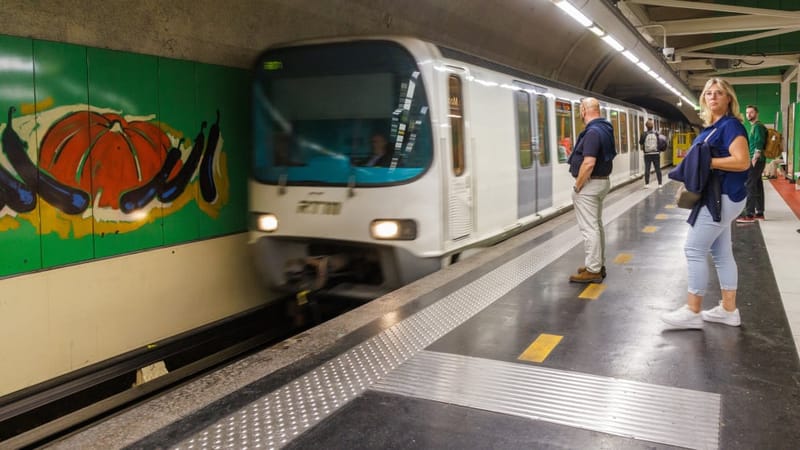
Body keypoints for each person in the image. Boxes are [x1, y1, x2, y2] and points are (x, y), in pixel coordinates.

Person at [660, 78, 750, 329]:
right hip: (719, 196)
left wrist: (707, 162)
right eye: (709, 94)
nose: (713, 97)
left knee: (694, 250)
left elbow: (742, 162)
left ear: (728, 99)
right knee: (722, 253)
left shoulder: (731, 125)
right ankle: (729, 310)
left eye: (719, 93)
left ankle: (692, 310)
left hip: (721, 197)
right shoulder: (714, 126)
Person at [567, 97, 615, 283]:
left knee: (589, 228)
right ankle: (596, 264)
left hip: (590, 184)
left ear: (584, 110)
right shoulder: (605, 128)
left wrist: (577, 186)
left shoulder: (593, 132)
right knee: (596, 225)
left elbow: (588, 163)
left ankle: (593, 270)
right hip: (601, 182)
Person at [736, 105, 767, 223]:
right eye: (747, 112)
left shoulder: (757, 126)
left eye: (751, 112)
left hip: (757, 160)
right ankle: (760, 212)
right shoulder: (755, 126)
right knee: (757, 185)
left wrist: (754, 159)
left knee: (749, 185)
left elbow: (759, 143)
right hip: (759, 160)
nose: (749, 114)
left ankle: (749, 214)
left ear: (756, 113)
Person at [639, 119, 662, 188]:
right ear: (653, 126)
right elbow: (659, 143)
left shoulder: (643, 134)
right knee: (657, 168)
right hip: (656, 153)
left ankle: (647, 184)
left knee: (647, 169)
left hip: (647, 154)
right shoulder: (656, 133)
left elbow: (641, 143)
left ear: (646, 126)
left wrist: (643, 149)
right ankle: (660, 184)